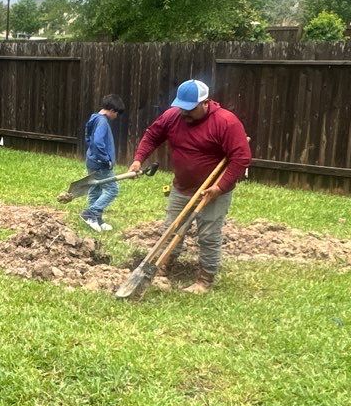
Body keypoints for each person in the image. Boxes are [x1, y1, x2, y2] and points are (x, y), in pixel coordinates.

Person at [129, 78, 251, 292]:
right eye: (181, 108)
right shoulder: (173, 116)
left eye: (190, 109)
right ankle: (162, 268)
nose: (184, 113)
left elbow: (241, 158)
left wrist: (220, 188)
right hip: (181, 187)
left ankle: (205, 279)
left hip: (212, 191)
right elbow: (152, 135)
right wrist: (139, 158)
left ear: (206, 103)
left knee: (208, 235)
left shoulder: (226, 122)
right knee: (171, 229)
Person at [79, 93, 125, 233]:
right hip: (101, 164)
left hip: (92, 160)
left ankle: (96, 219)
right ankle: (90, 213)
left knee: (95, 188)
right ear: (111, 110)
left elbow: (88, 138)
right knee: (112, 190)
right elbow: (98, 142)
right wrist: (106, 159)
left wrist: (93, 153)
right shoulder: (103, 122)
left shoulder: (94, 118)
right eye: (116, 113)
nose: (116, 117)